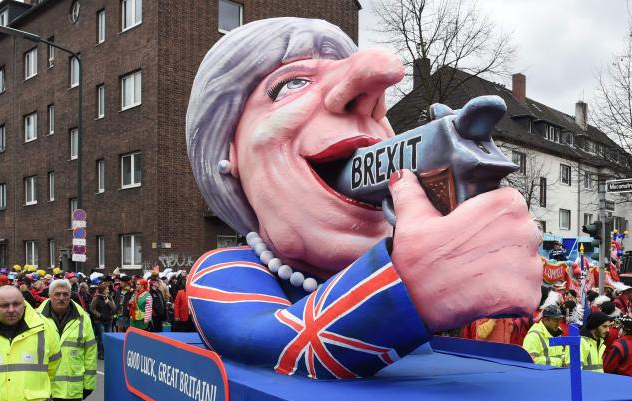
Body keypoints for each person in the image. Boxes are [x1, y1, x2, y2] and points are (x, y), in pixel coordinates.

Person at [183, 17, 541, 378]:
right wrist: (408, 283)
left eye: (377, 106)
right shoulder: (225, 270)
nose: (373, 92)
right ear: (229, 155)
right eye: (293, 83)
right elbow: (271, 341)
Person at [89, 281, 117, 360]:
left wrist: (109, 303)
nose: (108, 290)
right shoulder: (96, 298)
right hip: (99, 321)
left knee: (108, 337)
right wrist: (100, 315)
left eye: (108, 289)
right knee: (102, 337)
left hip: (109, 320)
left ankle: (107, 352)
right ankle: (101, 353)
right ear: (102, 290)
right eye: (107, 289)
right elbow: (92, 309)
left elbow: (114, 309)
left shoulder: (110, 297)